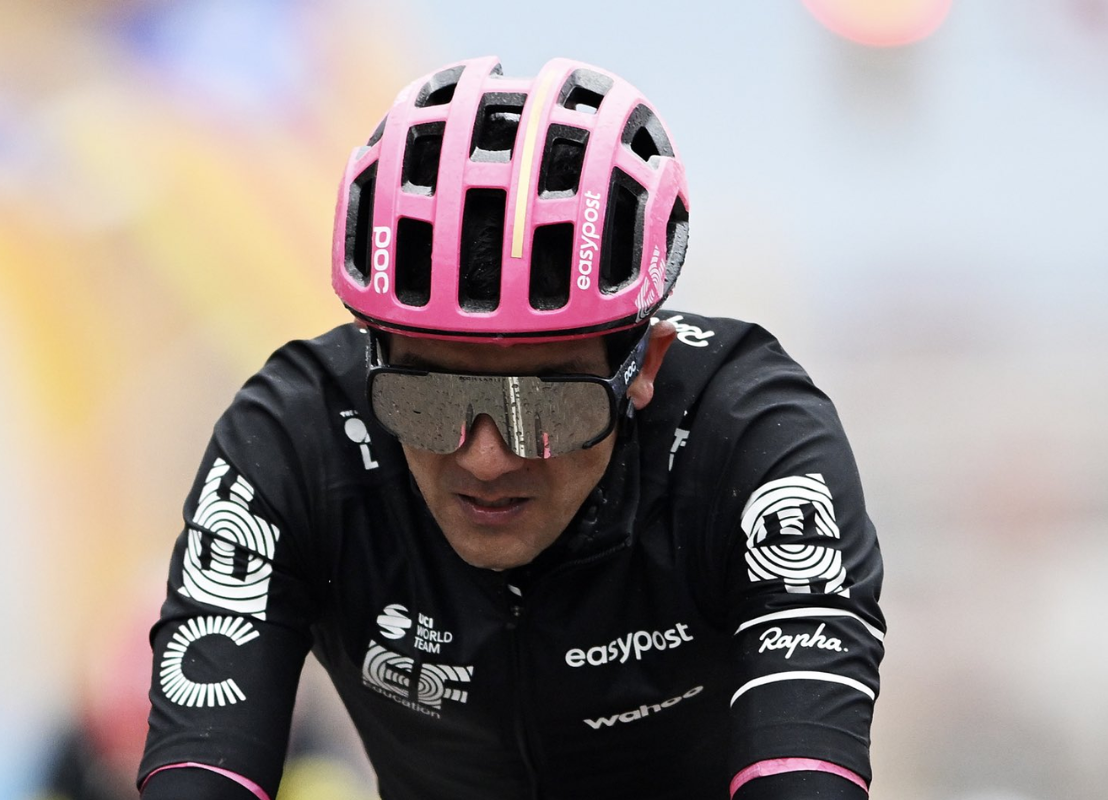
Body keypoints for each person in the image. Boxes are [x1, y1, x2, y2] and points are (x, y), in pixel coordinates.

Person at [137, 56, 885, 800]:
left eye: (548, 407)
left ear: (644, 366)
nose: (487, 460)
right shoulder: (299, 438)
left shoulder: (745, 437)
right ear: (371, 360)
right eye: (428, 401)